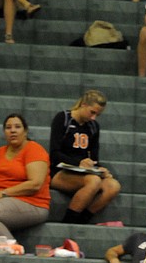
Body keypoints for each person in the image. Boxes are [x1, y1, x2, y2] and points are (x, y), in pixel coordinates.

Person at [0, 113, 50, 251]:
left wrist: (3, 193)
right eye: (8, 127)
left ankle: (12, 249)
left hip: (30, 202)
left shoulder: (34, 149)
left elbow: (35, 184)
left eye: (17, 127)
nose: (12, 130)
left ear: (25, 131)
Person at [48, 90, 120, 224]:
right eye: (92, 112)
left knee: (113, 185)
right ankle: (68, 222)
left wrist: (101, 169)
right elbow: (54, 154)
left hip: (83, 172)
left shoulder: (93, 127)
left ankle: (82, 219)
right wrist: (78, 163)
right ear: (83, 105)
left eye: (97, 115)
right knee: (94, 181)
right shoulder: (63, 118)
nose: (94, 118)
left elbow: (94, 158)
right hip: (59, 171)